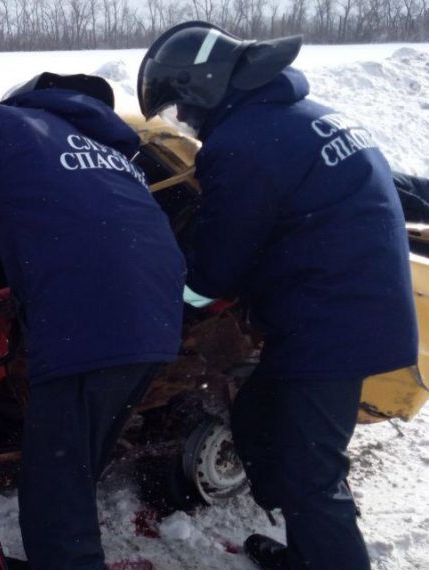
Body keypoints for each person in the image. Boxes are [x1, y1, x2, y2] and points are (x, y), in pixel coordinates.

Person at [138, 21, 418, 570]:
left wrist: (163, 315)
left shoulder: (243, 144)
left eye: (177, 110)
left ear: (203, 88)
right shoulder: (301, 117)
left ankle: (329, 554)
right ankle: (313, 552)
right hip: (348, 308)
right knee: (260, 417)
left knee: (312, 475)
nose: (184, 125)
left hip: (335, 324)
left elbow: (215, 269)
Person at [0, 72, 185, 569]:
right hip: (157, 325)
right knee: (74, 471)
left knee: (53, 494)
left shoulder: (5, 125)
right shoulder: (115, 157)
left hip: (89, 328)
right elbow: (92, 234)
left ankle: (66, 558)